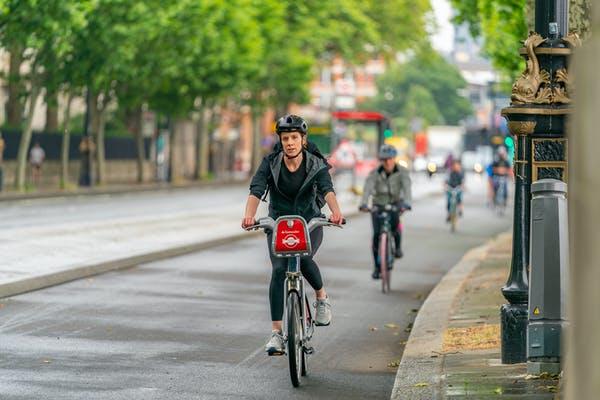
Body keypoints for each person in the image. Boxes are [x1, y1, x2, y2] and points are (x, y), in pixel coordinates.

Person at [241, 114, 344, 355]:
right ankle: (277, 333)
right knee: (279, 270)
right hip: (279, 224)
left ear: (303, 140)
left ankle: (321, 297)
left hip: (309, 222)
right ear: (281, 141)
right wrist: (249, 215)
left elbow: (327, 190)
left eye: (294, 138)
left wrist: (336, 213)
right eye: (285, 138)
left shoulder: (316, 164)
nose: (290, 142)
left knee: (304, 257)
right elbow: (257, 189)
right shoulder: (271, 162)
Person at [359, 144, 412, 279]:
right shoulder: (374, 173)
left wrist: (407, 203)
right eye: (384, 159)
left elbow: (407, 189)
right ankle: (377, 268)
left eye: (390, 158)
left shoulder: (402, 172)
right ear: (381, 160)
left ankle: (398, 248)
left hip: (395, 203)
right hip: (378, 204)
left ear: (394, 159)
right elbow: (367, 189)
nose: (387, 162)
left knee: (395, 227)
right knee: (376, 235)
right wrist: (364, 204)